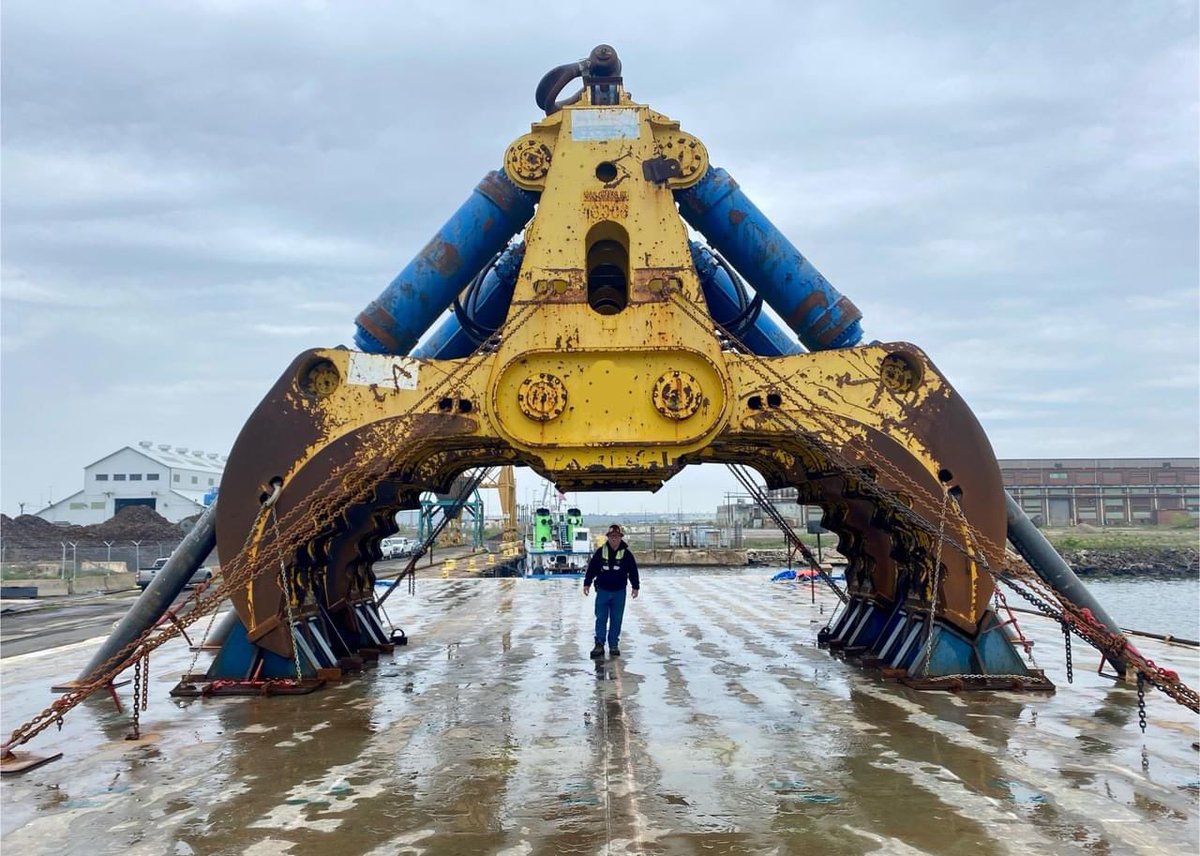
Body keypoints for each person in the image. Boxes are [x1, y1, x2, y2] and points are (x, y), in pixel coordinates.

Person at [583, 523, 640, 658]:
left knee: (616, 619)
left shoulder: (626, 554)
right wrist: (587, 583)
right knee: (601, 618)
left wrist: (635, 586)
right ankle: (599, 644)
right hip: (603, 591)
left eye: (617, 536)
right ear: (608, 537)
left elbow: (633, 571)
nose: (614, 539)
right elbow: (592, 569)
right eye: (612, 536)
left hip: (619, 592)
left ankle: (613, 645)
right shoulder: (600, 552)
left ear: (621, 537)